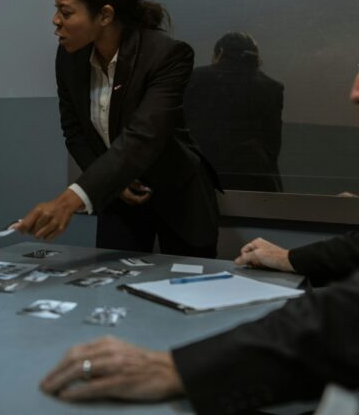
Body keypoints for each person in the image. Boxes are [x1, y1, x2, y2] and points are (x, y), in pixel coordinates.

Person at [39, 68, 359, 413]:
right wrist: (290, 258)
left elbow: (345, 319)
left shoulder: (169, 59)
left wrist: (179, 369)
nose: (354, 92)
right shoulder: (71, 65)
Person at [15, 0, 220, 257]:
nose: (55, 21)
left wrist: (70, 200)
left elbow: (143, 136)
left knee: (188, 282)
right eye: (56, 10)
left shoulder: (166, 55)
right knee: (111, 277)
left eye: (66, 12)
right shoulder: (69, 57)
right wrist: (112, 183)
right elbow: (74, 132)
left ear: (105, 15)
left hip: (179, 198)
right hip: (117, 198)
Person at [184, 31, 284, 192]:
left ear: (220, 53)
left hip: (202, 174)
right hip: (254, 177)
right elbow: (272, 143)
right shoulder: (272, 87)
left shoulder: (195, 78)